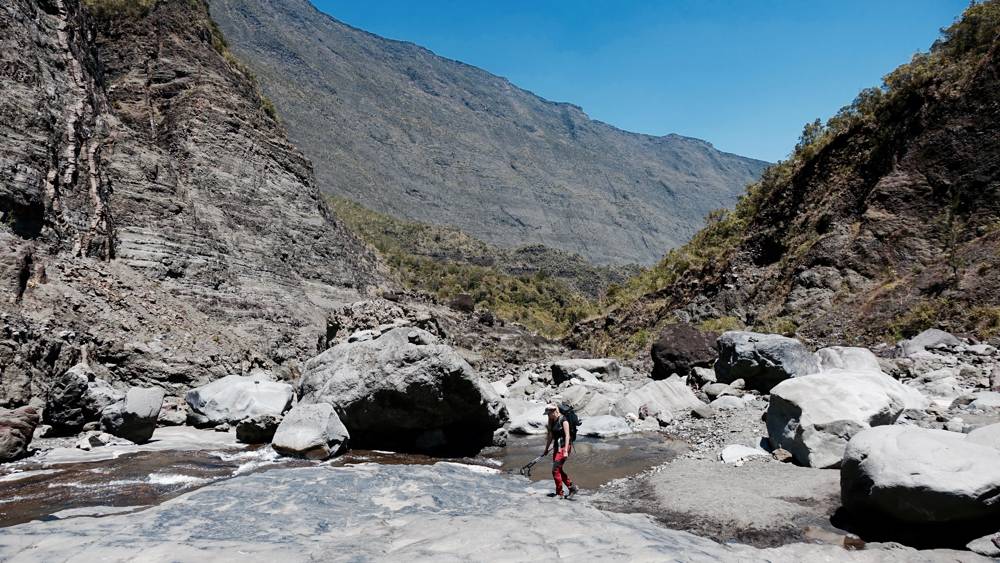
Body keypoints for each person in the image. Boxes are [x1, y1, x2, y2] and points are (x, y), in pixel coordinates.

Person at [542, 403, 578, 499]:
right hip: (556, 447)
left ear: (554, 411)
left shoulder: (564, 420)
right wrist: (546, 449)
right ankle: (572, 487)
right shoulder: (551, 421)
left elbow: (567, 436)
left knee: (555, 470)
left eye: (548, 413)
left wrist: (566, 450)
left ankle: (559, 493)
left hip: (564, 447)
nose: (548, 415)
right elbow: (550, 436)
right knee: (558, 469)